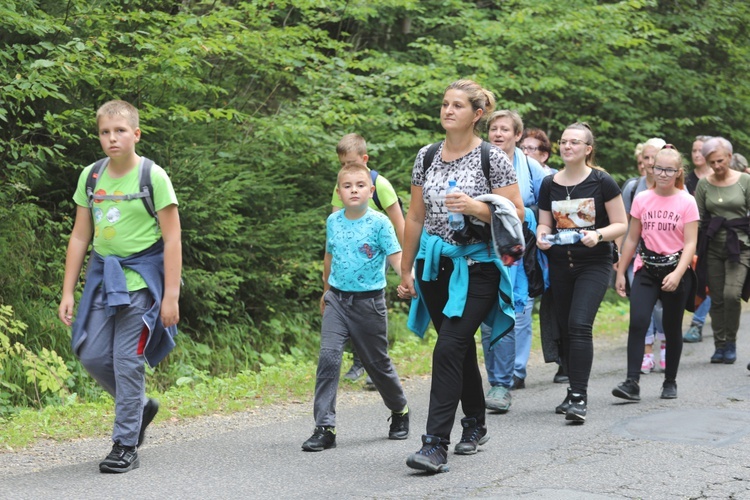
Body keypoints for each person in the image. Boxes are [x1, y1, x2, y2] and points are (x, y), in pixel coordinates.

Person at [399, 79, 523, 473]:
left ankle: (435, 444)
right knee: (457, 345)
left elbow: (517, 213)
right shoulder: (426, 155)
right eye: (444, 104)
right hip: (435, 266)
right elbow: (416, 215)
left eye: (457, 105)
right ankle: (474, 423)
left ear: (477, 114)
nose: (448, 111)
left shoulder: (493, 158)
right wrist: (406, 266)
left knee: (449, 347)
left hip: (480, 265)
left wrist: (476, 207)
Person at [58, 100, 182, 473]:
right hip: (103, 277)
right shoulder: (92, 176)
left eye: (120, 131)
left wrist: (171, 296)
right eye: (105, 132)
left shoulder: (152, 176)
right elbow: (81, 236)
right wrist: (67, 290)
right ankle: (140, 406)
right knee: (91, 354)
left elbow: (173, 239)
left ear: (136, 134)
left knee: (127, 362)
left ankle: (125, 444)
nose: (112, 138)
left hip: (142, 281)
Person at [302, 162, 409, 452]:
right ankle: (325, 427)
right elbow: (328, 257)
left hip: (369, 303)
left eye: (360, 186)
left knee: (377, 364)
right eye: (347, 186)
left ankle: (400, 410)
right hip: (337, 299)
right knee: (329, 358)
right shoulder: (333, 222)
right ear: (339, 192)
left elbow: (396, 258)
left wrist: (406, 281)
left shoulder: (379, 223)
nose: (354, 191)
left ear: (370, 190)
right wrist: (325, 291)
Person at [536, 122, 627, 424]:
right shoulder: (550, 183)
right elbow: (545, 223)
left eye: (575, 142)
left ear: (588, 149)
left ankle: (579, 397)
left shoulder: (602, 181)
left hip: (594, 263)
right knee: (563, 329)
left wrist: (599, 235)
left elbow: (621, 224)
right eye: (563, 142)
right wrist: (541, 235)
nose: (567, 146)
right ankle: (573, 390)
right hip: (561, 265)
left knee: (578, 325)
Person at [613, 146, 699, 401]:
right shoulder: (642, 199)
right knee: (638, 322)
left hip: (675, 271)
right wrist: (620, 270)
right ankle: (632, 382)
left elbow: (691, 243)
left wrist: (678, 273)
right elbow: (632, 238)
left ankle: (669, 381)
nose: (662, 173)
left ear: (678, 172)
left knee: (672, 329)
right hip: (646, 270)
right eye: (658, 168)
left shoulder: (687, 201)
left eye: (668, 170)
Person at [481, 110, 548, 414]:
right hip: (485, 240)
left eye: (504, 129)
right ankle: (498, 375)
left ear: (517, 135)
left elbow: (551, 193)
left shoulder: (530, 165)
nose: (498, 134)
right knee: (486, 308)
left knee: (518, 305)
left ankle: (514, 372)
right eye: (493, 128)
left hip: (522, 239)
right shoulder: (479, 159)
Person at [331, 133, 405, 387]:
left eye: (351, 162)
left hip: (375, 252)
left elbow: (398, 220)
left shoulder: (379, 184)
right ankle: (359, 360)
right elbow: (335, 220)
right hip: (348, 256)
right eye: (342, 165)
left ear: (364, 159)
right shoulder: (340, 185)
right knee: (346, 305)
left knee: (369, 307)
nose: (346, 169)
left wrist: (407, 261)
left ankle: (375, 363)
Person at [694, 137, 750, 365]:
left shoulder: (745, 181)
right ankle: (719, 345)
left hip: (741, 246)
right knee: (716, 298)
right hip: (713, 248)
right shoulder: (703, 184)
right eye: (711, 162)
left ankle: (731, 341)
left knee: (731, 295)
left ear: (729, 156)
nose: (716, 166)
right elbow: (696, 219)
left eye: (720, 160)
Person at [620, 138, 669, 373]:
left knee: (662, 305)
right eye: (646, 158)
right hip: (637, 257)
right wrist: (620, 258)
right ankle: (647, 351)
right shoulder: (632, 187)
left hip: (668, 257)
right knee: (640, 306)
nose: (650, 163)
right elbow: (623, 225)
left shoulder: (675, 188)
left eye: (654, 158)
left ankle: (665, 345)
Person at [683, 135, 713, 343]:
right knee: (693, 281)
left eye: (700, 150)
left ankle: (697, 323)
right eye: (693, 150)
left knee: (710, 282)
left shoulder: (719, 177)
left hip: (714, 237)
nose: (696, 154)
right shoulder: (686, 180)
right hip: (688, 237)